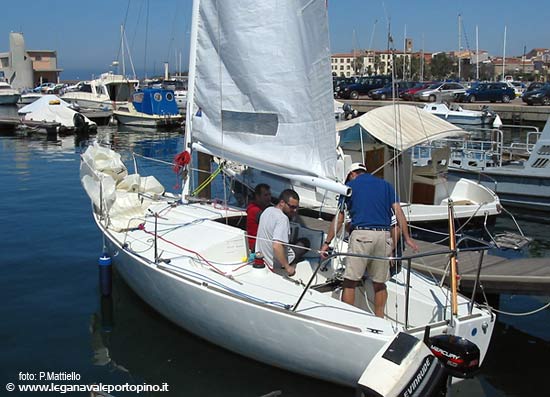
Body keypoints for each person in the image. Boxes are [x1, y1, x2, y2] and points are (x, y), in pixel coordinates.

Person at [321, 163, 418, 318]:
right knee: (380, 283)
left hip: (362, 236)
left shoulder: (350, 187)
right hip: (384, 236)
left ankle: (348, 318)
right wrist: (407, 238)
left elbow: (339, 219)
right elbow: (399, 213)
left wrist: (327, 243)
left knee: (350, 282)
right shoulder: (386, 185)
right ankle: (379, 318)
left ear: (352, 174)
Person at [256, 189, 301, 277]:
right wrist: (288, 268)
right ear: (282, 202)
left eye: (296, 207)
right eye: (292, 207)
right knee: (304, 243)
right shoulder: (282, 219)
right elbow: (276, 246)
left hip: (262, 257)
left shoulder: (267, 210)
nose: (295, 210)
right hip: (274, 263)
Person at [246, 183, 272, 251]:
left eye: (269, 195)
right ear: (257, 196)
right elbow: (270, 222)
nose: (269, 198)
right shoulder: (255, 210)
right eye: (266, 195)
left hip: (261, 243)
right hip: (256, 245)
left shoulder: (261, 208)